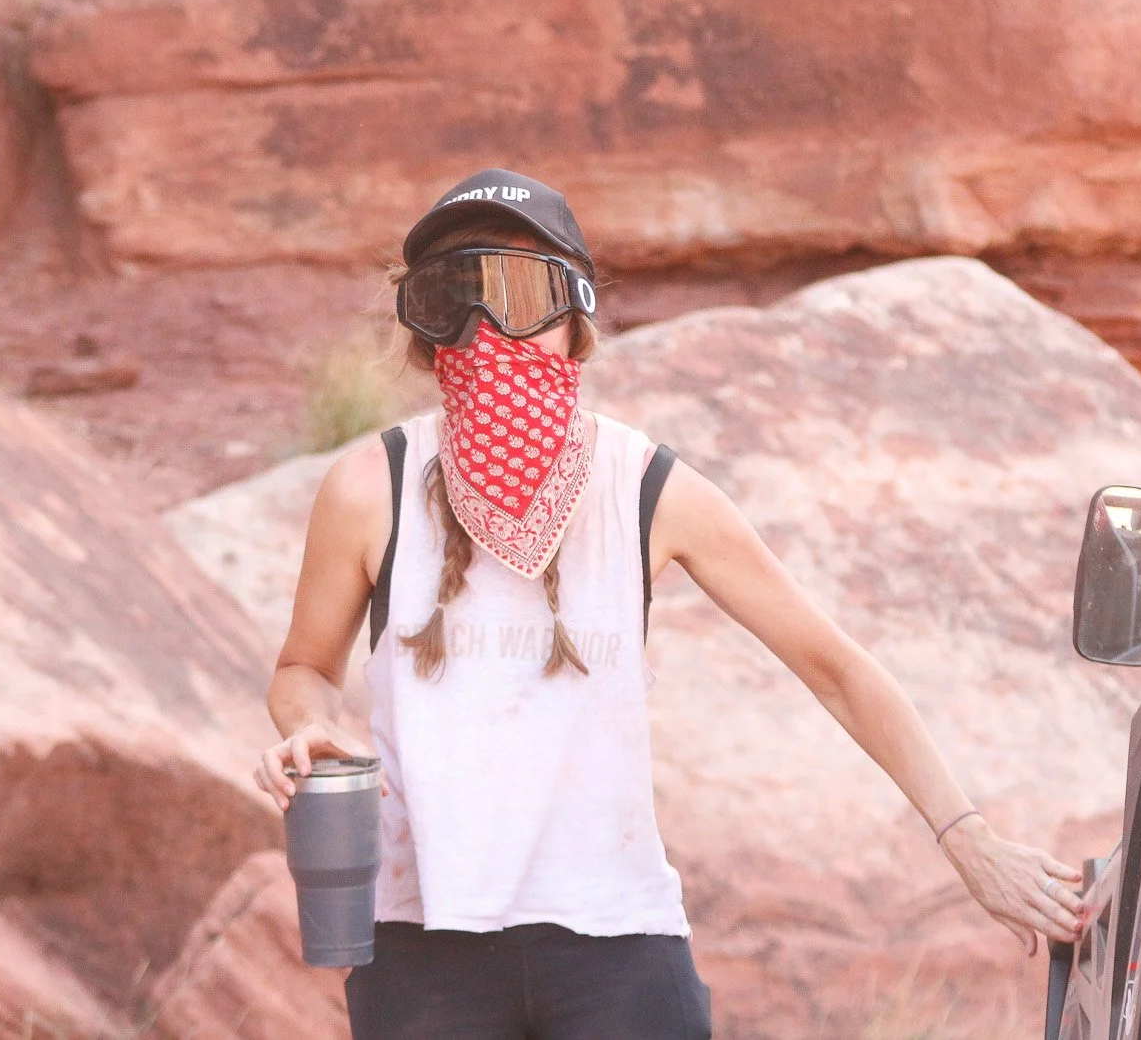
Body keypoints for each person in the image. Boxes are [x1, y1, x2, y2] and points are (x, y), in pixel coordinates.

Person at [256, 168, 1082, 1039]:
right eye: (453, 298)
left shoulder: (645, 488)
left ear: (576, 320)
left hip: (617, 943)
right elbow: (303, 668)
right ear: (423, 331)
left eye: (524, 296)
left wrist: (969, 839)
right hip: (420, 944)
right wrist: (311, 724)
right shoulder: (370, 488)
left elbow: (834, 667)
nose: (489, 333)